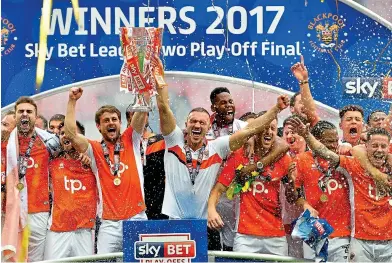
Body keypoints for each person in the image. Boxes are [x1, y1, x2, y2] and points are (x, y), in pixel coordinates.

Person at [155, 75, 290, 222]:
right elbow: (163, 108)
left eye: (202, 123)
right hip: (175, 218)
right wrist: (160, 79)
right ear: (185, 124)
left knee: (222, 243)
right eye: (193, 121)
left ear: (208, 128)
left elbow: (252, 129)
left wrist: (276, 109)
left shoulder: (217, 146)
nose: (197, 125)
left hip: (209, 215)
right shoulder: (174, 140)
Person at [287, 117, 392, 262]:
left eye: (383, 146)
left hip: (379, 240)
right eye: (374, 146)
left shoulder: (386, 164)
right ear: (366, 146)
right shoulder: (353, 165)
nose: (379, 150)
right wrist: (307, 135)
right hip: (352, 239)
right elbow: (324, 151)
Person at [64, 87, 149, 254]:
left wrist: (142, 84)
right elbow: (70, 134)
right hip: (109, 224)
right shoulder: (94, 149)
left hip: (136, 217)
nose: (111, 123)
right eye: (106, 120)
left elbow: (142, 111)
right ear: (98, 126)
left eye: (114, 119)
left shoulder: (131, 138)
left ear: (120, 123)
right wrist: (72, 101)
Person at [208, 111, 291, 256]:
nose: (269, 132)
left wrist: (292, 181)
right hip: (245, 235)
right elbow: (219, 189)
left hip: (276, 236)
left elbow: (291, 195)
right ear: (256, 129)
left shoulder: (283, 158)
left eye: (272, 128)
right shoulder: (241, 154)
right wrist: (211, 209)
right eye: (265, 127)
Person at [2, 97, 61, 262]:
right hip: (12, 211)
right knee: (11, 258)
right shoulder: (5, 143)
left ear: (36, 117)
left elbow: (68, 154)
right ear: (15, 116)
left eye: (29, 111)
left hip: (38, 212)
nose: (25, 114)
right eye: (21, 111)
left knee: (36, 261)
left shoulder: (48, 142)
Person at [292, 121, 351, 261]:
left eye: (336, 140)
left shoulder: (343, 159)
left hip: (342, 234)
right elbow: (295, 193)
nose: (334, 145)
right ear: (316, 141)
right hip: (313, 231)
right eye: (329, 141)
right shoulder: (302, 160)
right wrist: (305, 204)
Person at [44, 122, 97, 260]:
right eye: (62, 133)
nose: (66, 136)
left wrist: (89, 162)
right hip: (57, 231)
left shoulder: (94, 164)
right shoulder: (52, 164)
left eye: (71, 132)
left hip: (84, 231)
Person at [207, 87, 248, 251]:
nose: (228, 105)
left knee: (232, 244)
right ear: (213, 107)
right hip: (211, 192)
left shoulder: (244, 128)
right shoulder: (205, 128)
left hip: (236, 194)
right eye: (223, 103)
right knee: (212, 242)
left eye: (230, 101)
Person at [280, 115, 307, 258]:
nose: (290, 135)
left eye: (294, 131)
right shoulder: (278, 157)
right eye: (286, 133)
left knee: (309, 259)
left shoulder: (313, 155)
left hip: (310, 221)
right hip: (286, 221)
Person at [290, 55, 320, 128]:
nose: (304, 105)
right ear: (292, 108)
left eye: (305, 101)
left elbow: (310, 112)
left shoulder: (318, 127)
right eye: (301, 102)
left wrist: (303, 80)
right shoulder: (284, 130)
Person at [1, 111, 16, 229]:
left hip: (10, 212)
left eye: (5, 125)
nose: (1, 127)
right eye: (1, 123)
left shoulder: (13, 151)